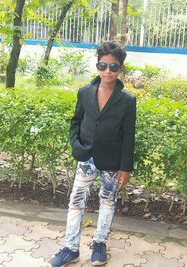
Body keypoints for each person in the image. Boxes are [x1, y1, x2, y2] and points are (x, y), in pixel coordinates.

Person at [50, 41, 136, 267]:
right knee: (76, 202)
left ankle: (99, 244)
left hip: (112, 162)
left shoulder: (127, 101)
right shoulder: (85, 92)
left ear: (121, 69)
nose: (108, 71)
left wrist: (125, 167)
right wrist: (76, 146)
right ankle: (70, 248)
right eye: (103, 65)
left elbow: (129, 135)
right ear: (97, 66)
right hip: (85, 158)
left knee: (107, 203)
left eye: (113, 67)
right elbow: (75, 122)